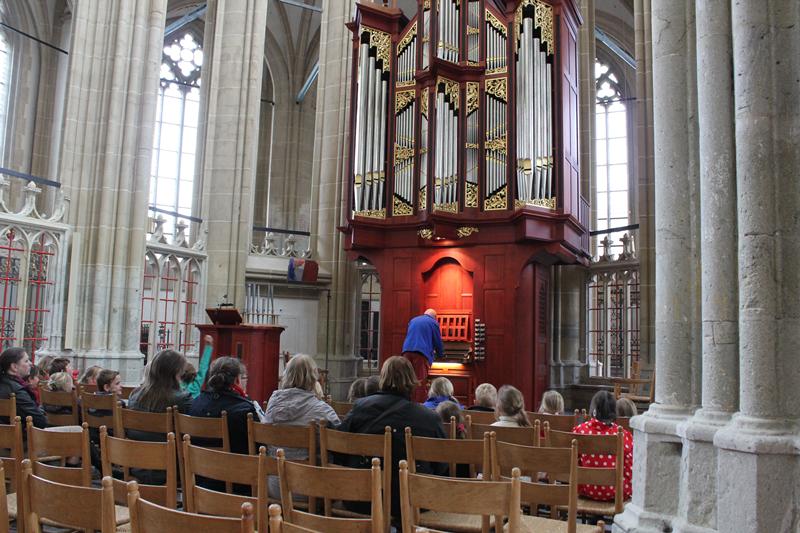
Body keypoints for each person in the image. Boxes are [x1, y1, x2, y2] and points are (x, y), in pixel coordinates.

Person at [339, 355, 447, 518]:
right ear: (412, 381)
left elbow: (339, 447)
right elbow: (441, 466)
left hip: (362, 498)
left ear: (383, 379)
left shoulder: (360, 407)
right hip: (413, 501)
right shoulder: (429, 418)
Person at [263, 354, 339, 496]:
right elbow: (341, 442)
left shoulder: (272, 404)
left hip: (274, 485)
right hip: (308, 488)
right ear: (313, 378)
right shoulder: (321, 409)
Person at [572, 391, 633, 502]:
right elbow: (629, 466)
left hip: (586, 489)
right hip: (616, 492)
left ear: (594, 409)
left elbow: (573, 459)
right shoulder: (624, 435)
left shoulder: (579, 431)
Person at [190, 357, 257, 455]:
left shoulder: (195, 404)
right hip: (237, 468)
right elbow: (259, 445)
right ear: (237, 380)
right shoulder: (245, 410)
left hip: (197, 468)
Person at [401, 309, 444, 402]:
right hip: (420, 353)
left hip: (406, 351)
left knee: (407, 378)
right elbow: (437, 341)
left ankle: (406, 401)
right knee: (420, 380)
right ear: (434, 317)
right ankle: (419, 404)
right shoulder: (433, 322)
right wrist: (441, 354)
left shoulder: (413, 320)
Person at [0, 347, 47, 428]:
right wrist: (41, 408)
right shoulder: (17, 390)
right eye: (26, 361)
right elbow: (40, 422)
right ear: (14, 367)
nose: (30, 363)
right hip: (15, 439)